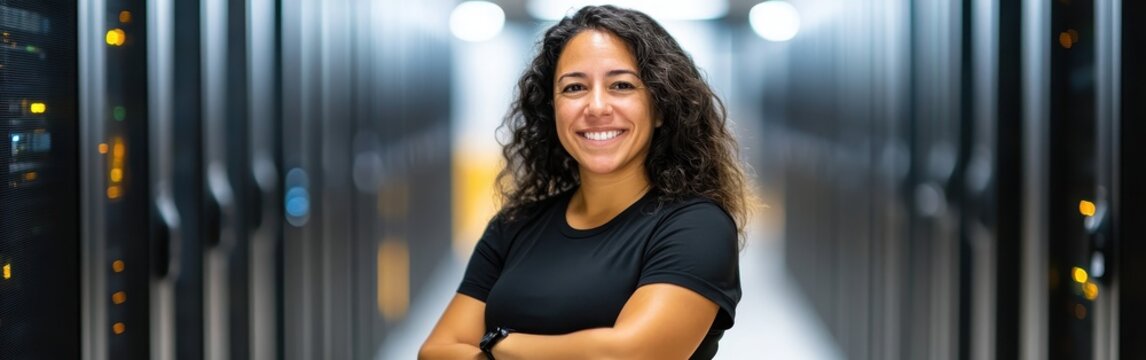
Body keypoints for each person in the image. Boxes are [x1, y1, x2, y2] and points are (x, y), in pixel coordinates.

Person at [420, 5, 754, 360]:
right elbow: (435, 351)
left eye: (621, 85)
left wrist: (497, 344)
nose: (596, 107)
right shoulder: (515, 224)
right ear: (553, 108)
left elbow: (631, 355)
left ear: (659, 108)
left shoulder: (696, 227)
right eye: (575, 87)